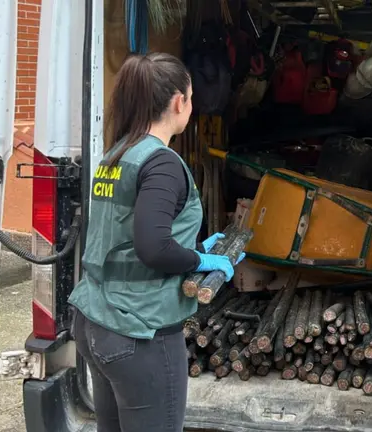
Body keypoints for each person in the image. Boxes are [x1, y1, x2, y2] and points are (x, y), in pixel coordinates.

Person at [68, 52, 243, 432]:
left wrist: (194, 247)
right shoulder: (161, 162)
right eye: (192, 98)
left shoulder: (116, 155)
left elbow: (125, 232)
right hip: (138, 331)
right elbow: (153, 247)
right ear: (179, 101)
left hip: (96, 320)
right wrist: (201, 261)